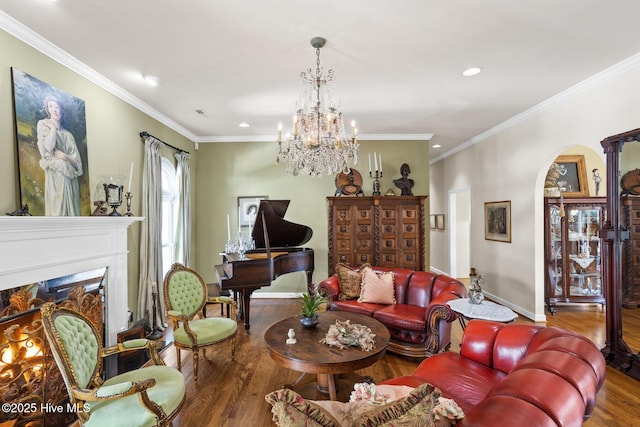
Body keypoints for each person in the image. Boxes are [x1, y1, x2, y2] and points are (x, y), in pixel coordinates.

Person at [36, 95, 83, 216]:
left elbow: (77, 164)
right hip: (55, 178)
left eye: (57, 107)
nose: (54, 110)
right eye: (51, 106)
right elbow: (48, 148)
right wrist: (52, 129)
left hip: (71, 182)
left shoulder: (69, 135)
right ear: (48, 110)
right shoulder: (43, 125)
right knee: (57, 212)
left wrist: (65, 156)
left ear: (61, 110)